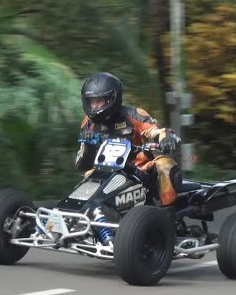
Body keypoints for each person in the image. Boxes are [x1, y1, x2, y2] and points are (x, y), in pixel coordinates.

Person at [75, 72, 182, 208]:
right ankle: (83, 215)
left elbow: (155, 130)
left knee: (165, 165)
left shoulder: (133, 115)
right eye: (91, 101)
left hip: (140, 170)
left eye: (99, 101)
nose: (94, 106)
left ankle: (167, 214)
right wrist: (89, 147)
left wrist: (166, 139)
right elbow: (81, 164)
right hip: (105, 171)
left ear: (111, 99)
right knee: (88, 175)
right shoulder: (87, 123)